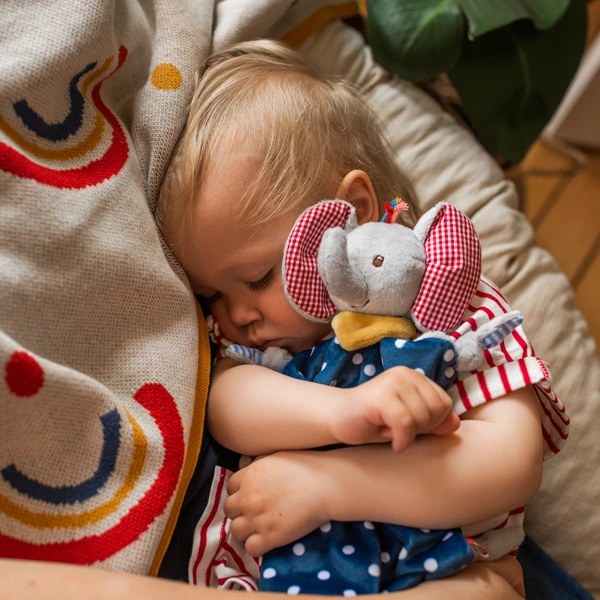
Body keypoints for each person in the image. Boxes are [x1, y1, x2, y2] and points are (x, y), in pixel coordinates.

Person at [156, 40, 563, 594]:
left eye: (255, 278)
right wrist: (339, 411)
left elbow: (511, 465)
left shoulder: (445, 308)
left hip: (450, 569)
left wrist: (327, 485)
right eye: (211, 296)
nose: (239, 315)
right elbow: (227, 404)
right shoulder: (264, 351)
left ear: (354, 214)